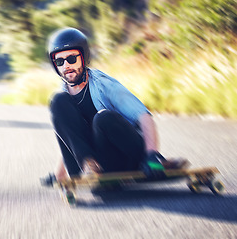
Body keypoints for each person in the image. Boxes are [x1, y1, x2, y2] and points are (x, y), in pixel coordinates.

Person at [44, 27, 188, 183]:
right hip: (86, 169)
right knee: (57, 101)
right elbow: (71, 138)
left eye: (72, 59)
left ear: (83, 57)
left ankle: (155, 162)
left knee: (103, 118)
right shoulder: (62, 94)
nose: (66, 66)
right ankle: (89, 166)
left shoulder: (104, 85)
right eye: (60, 61)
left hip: (120, 158)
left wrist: (151, 155)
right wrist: (59, 175)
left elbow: (143, 116)